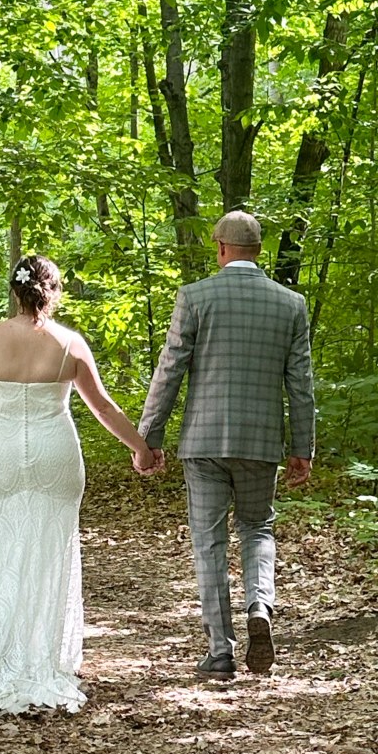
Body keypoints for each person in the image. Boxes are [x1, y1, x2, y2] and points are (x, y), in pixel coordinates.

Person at [0, 254, 155, 717]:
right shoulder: (69, 343)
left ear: (14, 291)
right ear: (52, 292)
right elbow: (103, 407)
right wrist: (139, 447)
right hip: (56, 455)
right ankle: (39, 655)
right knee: (48, 551)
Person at [139, 210, 315, 678]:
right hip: (261, 442)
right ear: (258, 251)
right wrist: (303, 446)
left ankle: (221, 652)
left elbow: (170, 370)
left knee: (208, 543)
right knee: (257, 528)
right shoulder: (290, 303)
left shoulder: (196, 297)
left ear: (220, 249)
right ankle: (260, 606)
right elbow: (301, 384)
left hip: (204, 441)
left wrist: (148, 436)